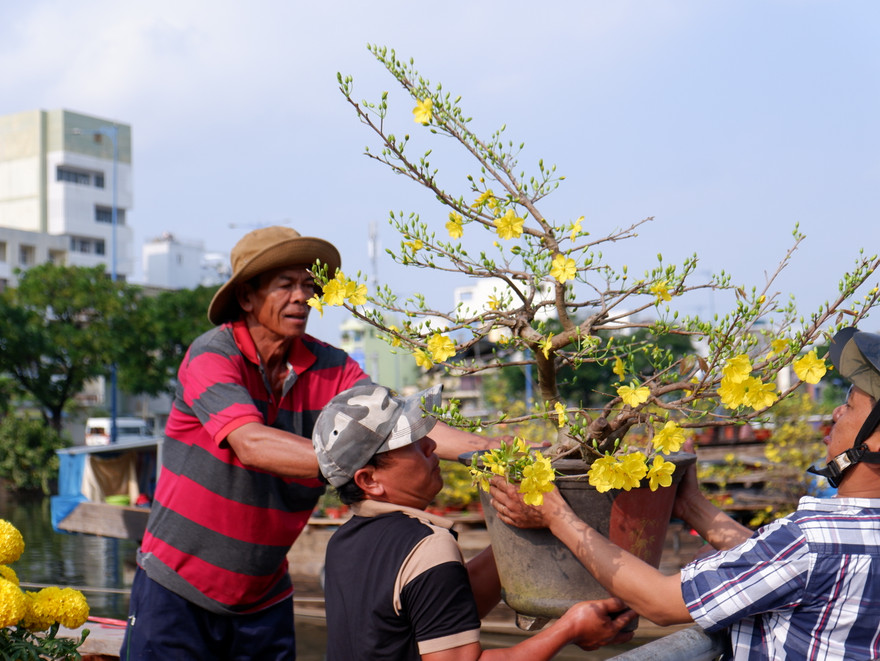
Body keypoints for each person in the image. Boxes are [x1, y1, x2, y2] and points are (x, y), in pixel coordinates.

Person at [121, 226, 497, 660]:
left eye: (308, 285)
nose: (302, 296)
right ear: (247, 297)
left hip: (263, 595)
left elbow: (397, 424)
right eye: (285, 285)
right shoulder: (212, 355)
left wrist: (495, 451)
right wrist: (359, 465)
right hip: (176, 587)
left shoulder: (332, 367)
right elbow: (251, 443)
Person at [490, 326, 880, 661]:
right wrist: (692, 505)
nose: (835, 413)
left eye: (849, 404)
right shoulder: (826, 540)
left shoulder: (809, 540)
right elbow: (788, 567)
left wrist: (556, 516)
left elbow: (660, 602)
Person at [312, 382, 637, 660]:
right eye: (410, 442)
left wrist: (534, 519)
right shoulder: (426, 547)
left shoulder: (341, 543)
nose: (431, 444)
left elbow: (437, 614)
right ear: (369, 480)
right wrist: (570, 627)